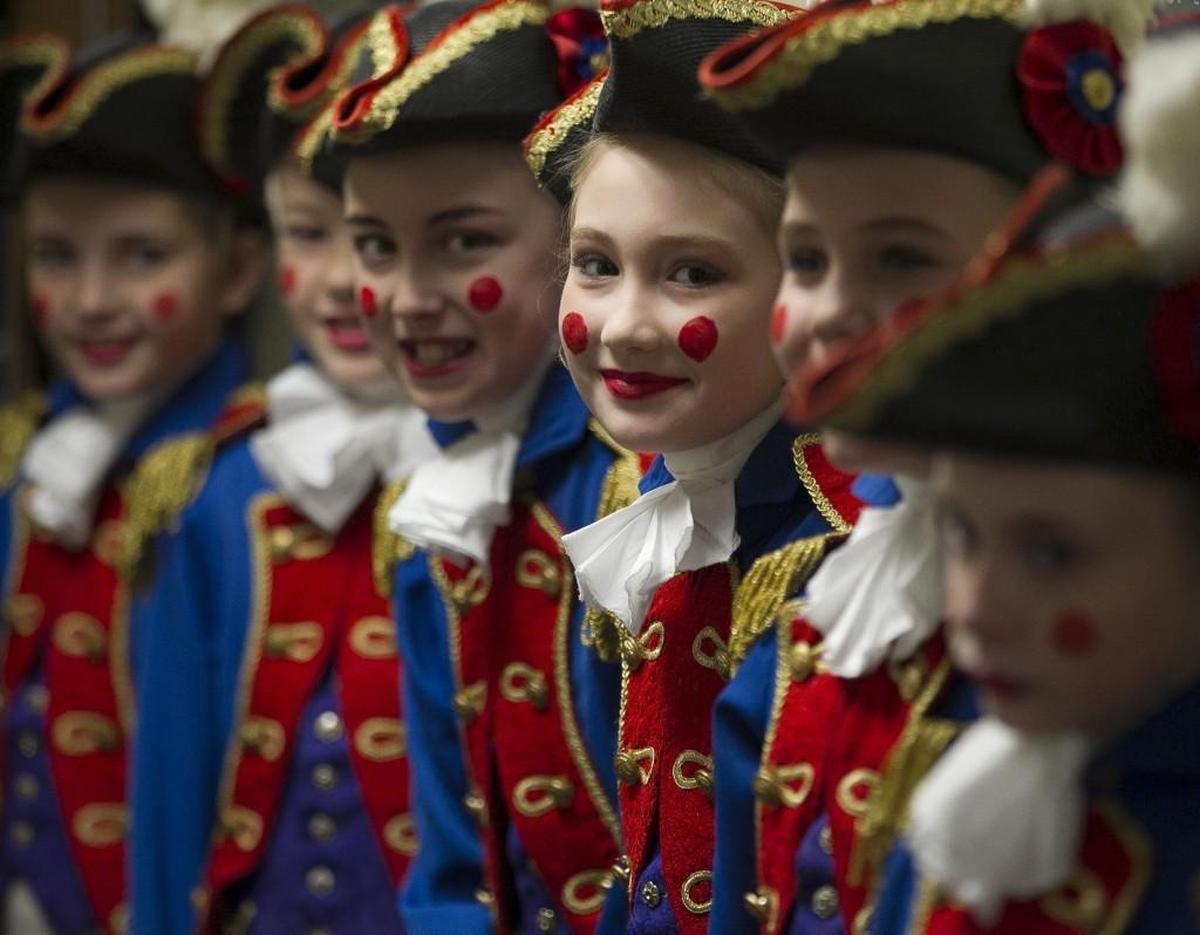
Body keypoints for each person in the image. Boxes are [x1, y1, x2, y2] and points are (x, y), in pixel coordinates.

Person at [695, 0, 1149, 929]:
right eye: (807, 259)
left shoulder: (1118, 632)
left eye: (902, 259)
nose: (830, 314)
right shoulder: (808, 614)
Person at [528, 3, 865, 931]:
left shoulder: (850, 550)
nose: (625, 324)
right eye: (595, 264)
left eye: (690, 274)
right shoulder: (650, 502)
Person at [323, 2, 638, 931]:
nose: (410, 300)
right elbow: (452, 868)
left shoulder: (639, 490)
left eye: (464, 242)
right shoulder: (432, 510)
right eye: (377, 245)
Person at [130, 7, 440, 933]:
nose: (346, 280)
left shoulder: (519, 487)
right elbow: (169, 794)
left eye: (375, 241)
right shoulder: (218, 489)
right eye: (310, 234)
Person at [0, 29, 269, 935]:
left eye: (142, 255)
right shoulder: (16, 465)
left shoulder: (253, 483)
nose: (89, 300)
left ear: (236, 269)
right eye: (57, 255)